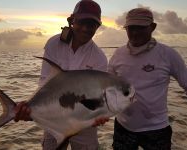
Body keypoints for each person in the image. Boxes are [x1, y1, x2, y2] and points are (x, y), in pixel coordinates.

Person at [14, 0, 108, 149]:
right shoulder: (54, 43)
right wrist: (29, 107)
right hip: (54, 121)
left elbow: (98, 96)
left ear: (98, 26)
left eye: (91, 24)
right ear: (72, 21)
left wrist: (100, 114)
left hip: (85, 124)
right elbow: (45, 82)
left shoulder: (99, 58)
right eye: (81, 22)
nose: (85, 28)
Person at [108, 8, 187, 150]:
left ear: (153, 27)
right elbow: (107, 87)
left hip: (157, 129)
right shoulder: (118, 54)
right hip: (123, 126)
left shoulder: (168, 54)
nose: (135, 32)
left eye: (141, 28)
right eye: (131, 28)